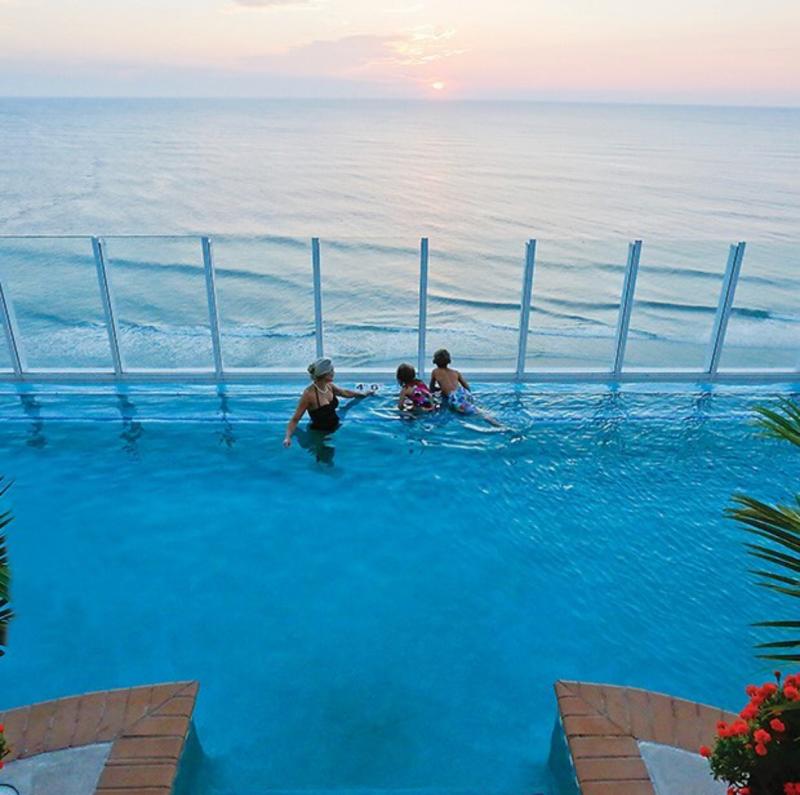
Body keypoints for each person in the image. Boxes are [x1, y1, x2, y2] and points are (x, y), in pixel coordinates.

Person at [283, 358, 371, 447]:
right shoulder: (309, 395)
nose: (334, 373)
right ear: (325, 375)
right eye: (331, 371)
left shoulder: (329, 386)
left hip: (336, 427)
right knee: (325, 459)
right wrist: (287, 437)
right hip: (319, 434)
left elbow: (344, 393)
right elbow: (295, 419)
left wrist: (363, 394)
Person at [429, 348, 504, 427]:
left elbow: (431, 389)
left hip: (454, 397)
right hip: (462, 392)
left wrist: (440, 390)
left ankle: (497, 425)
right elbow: (466, 387)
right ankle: (493, 419)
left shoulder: (435, 371)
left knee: (475, 413)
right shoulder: (456, 372)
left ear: (435, 361)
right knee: (475, 409)